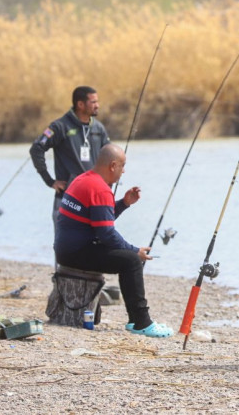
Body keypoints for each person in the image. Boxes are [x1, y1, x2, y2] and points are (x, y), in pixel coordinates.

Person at [54, 143, 172, 338]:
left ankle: (137, 320)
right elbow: (107, 234)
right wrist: (135, 251)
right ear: (112, 165)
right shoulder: (100, 189)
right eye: (122, 166)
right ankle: (141, 322)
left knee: (127, 256)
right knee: (131, 261)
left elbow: (99, 220)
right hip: (76, 253)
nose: (123, 171)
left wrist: (124, 203)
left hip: (66, 249)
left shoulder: (83, 179)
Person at [30, 86, 111, 231]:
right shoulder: (60, 126)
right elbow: (36, 149)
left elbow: (110, 158)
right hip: (68, 200)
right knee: (66, 249)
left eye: (97, 101)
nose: (97, 105)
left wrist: (108, 186)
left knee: (95, 249)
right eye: (93, 102)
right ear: (80, 104)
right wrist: (50, 181)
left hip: (94, 200)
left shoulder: (99, 129)